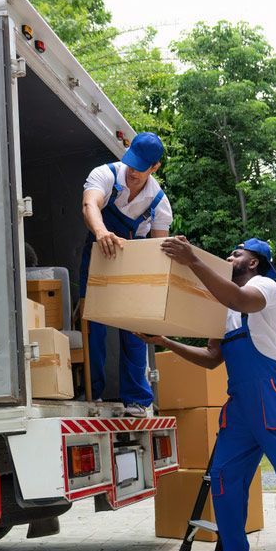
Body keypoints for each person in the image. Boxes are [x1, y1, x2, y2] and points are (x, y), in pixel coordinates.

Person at [139, 236, 276, 551]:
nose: (229, 256)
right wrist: (165, 342)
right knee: (224, 476)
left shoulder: (266, 287)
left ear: (253, 262)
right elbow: (212, 358)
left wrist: (194, 260)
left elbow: (239, 298)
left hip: (273, 398)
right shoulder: (222, 308)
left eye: (236, 253)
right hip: (241, 406)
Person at [80, 132, 172, 416]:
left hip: (134, 262)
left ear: (155, 167)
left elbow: (159, 251)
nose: (133, 171)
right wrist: (101, 232)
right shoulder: (106, 175)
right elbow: (90, 205)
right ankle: (92, 391)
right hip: (99, 253)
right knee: (93, 323)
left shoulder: (159, 203)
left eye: (141, 167)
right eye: (131, 163)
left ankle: (136, 398)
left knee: (135, 328)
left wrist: (156, 299)